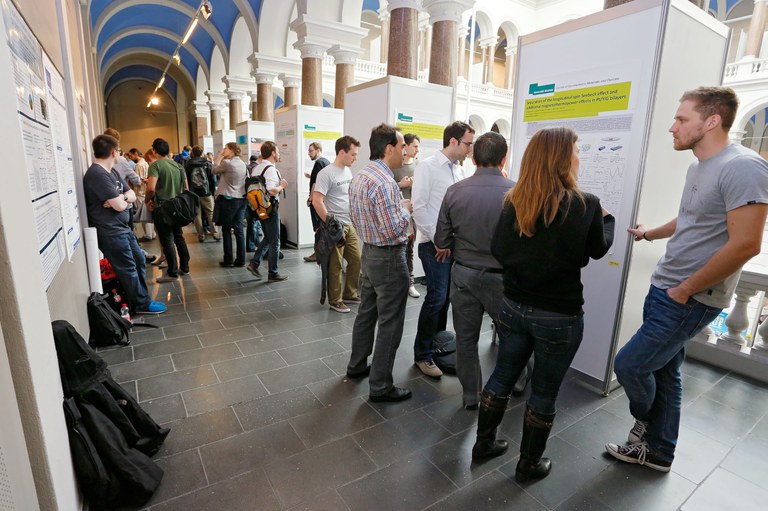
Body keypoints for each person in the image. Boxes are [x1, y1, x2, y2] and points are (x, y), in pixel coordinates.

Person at [606, 86, 768, 472]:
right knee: (666, 372)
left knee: (629, 365)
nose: (672, 127)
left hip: (689, 297)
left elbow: (747, 244)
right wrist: (650, 234)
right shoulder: (699, 166)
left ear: (711, 121)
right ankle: (660, 452)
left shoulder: (743, 166)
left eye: (681, 119)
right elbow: (692, 218)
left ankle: (646, 425)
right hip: (667, 287)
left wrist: (686, 289)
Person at [471, 127, 614, 486]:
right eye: (577, 151)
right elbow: (596, 249)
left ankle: (484, 444)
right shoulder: (587, 205)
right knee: (546, 392)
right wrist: (607, 221)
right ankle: (529, 463)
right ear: (564, 158)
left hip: (514, 307)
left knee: (502, 376)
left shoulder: (514, 201)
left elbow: (501, 251)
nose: (580, 157)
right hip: (559, 317)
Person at [433, 132, 513, 409]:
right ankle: (512, 384)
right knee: (511, 336)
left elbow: (441, 240)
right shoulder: (517, 193)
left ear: (475, 158)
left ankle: (471, 396)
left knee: (466, 340)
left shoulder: (455, 191)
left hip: (464, 275)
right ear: (504, 158)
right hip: (503, 278)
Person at [346, 124, 413, 402]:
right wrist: (405, 211)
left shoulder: (360, 176)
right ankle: (381, 385)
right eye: (401, 147)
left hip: (369, 253)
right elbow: (394, 231)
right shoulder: (385, 183)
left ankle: (357, 365)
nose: (405, 152)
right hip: (387, 257)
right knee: (390, 322)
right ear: (389, 149)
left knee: (366, 314)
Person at [411, 121, 475, 379]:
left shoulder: (458, 171)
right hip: (434, 246)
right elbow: (419, 206)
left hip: (451, 246)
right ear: (453, 142)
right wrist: (439, 240)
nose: (470, 149)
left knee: (445, 298)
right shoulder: (427, 166)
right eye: (468, 143)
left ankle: (437, 344)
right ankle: (422, 355)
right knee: (436, 297)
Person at [82, 134, 166, 314]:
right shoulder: (97, 174)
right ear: (114, 152)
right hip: (111, 232)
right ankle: (141, 304)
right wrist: (122, 200)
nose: (120, 155)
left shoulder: (111, 172)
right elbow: (120, 206)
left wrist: (120, 198)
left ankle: (140, 299)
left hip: (123, 229)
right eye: (119, 151)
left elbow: (132, 195)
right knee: (128, 268)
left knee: (139, 260)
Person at [311, 136, 362, 313]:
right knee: (336, 265)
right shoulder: (326, 173)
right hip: (335, 227)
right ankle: (335, 300)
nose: (355, 158)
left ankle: (350, 293)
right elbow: (317, 200)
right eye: (353, 154)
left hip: (349, 224)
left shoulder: (347, 171)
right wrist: (331, 224)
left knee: (356, 260)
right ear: (342, 152)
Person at [146, 138, 190, 283]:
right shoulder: (178, 166)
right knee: (179, 237)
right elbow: (186, 188)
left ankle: (172, 273)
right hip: (177, 207)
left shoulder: (155, 166)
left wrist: (148, 201)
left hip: (162, 208)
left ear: (154, 151)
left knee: (167, 240)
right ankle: (185, 267)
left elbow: (151, 188)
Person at [246, 141, 289, 282]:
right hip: (271, 209)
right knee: (275, 241)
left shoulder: (257, 168)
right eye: (277, 151)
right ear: (273, 153)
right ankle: (273, 273)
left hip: (260, 209)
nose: (279, 154)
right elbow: (271, 190)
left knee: (269, 237)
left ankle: (255, 263)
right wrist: (281, 186)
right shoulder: (270, 169)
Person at [212, 142, 247, 267]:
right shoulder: (243, 163)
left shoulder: (227, 163)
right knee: (239, 229)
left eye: (225, 148)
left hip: (228, 199)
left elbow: (214, 169)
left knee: (226, 229)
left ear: (231, 150)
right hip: (241, 199)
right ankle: (241, 260)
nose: (223, 150)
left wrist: (219, 156)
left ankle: (228, 259)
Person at [393, 133, 420, 298]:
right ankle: (398, 283)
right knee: (398, 249)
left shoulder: (418, 165)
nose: (417, 149)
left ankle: (410, 282)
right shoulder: (395, 166)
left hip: (412, 213)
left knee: (409, 249)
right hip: (398, 212)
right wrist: (401, 184)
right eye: (414, 146)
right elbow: (388, 187)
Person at [186, 145, 220, 243]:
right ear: (202, 153)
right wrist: (213, 191)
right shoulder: (207, 163)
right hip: (206, 192)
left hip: (193, 193)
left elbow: (186, 179)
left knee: (196, 215)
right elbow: (212, 179)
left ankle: (201, 236)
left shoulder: (188, 164)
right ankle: (216, 234)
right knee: (210, 213)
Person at [304, 142, 330, 262]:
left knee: (318, 228)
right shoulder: (326, 162)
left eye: (311, 151)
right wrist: (311, 176)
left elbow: (315, 183)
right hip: (325, 200)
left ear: (318, 150)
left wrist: (310, 199)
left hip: (317, 201)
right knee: (322, 227)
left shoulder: (319, 163)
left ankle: (317, 253)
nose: (309, 153)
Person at [245, 154, 264, 252]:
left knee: (252, 222)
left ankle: (253, 244)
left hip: (248, 197)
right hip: (255, 199)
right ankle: (252, 245)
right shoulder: (256, 168)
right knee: (254, 223)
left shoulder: (248, 167)